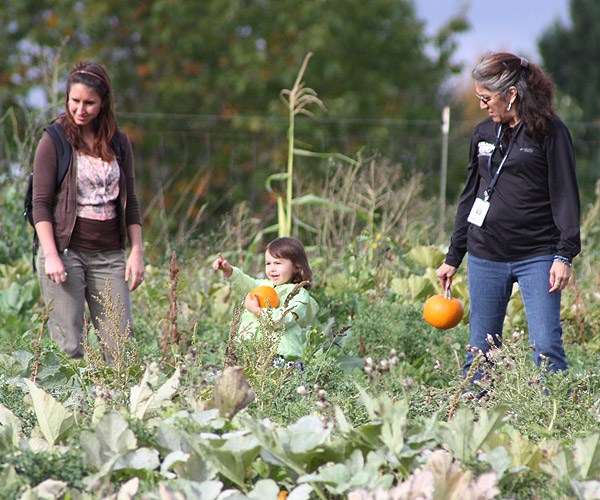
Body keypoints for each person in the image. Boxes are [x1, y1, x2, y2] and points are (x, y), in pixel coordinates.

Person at [436, 52, 580, 381]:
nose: (484, 106)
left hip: (538, 255)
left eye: (486, 99)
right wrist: (453, 256)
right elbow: (471, 195)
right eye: (479, 99)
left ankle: (556, 421)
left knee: (545, 346)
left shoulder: (550, 132)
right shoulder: (484, 132)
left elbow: (566, 195)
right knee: (480, 349)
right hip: (486, 254)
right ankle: (472, 418)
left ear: (511, 94)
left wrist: (564, 254)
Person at [32, 60, 144, 361]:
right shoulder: (54, 139)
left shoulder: (119, 142)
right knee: (69, 347)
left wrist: (136, 251)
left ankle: (117, 405)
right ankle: (71, 407)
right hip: (65, 254)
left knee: (119, 348)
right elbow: (40, 203)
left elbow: (130, 201)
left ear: (104, 102)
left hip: (109, 254)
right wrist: (51, 255)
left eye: (89, 103)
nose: (80, 110)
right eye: (75, 101)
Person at [212, 237, 319, 361]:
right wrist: (229, 271)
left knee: (279, 381)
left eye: (278, 263)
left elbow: (286, 318)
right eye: (268, 263)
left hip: (280, 357)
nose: (272, 268)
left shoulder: (298, 293)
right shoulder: (264, 286)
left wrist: (257, 311)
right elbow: (245, 284)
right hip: (254, 354)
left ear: (296, 266)